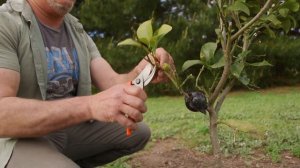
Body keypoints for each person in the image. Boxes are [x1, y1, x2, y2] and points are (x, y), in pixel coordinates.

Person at [0, 0, 175, 167]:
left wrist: (142, 72)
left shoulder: (76, 30)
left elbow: (113, 82)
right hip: (15, 138)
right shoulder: (5, 22)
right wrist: (89, 106)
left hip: (64, 129)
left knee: (138, 133)